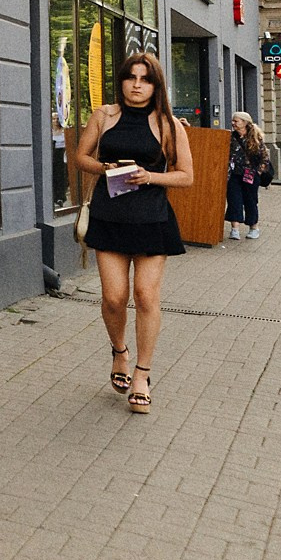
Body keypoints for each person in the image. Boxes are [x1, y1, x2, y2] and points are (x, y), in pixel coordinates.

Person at [73, 51, 193, 414]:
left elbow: (186, 175)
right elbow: (80, 157)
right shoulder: (104, 116)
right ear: (122, 81)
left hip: (152, 218)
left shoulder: (168, 124)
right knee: (113, 297)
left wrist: (150, 176)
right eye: (131, 77)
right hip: (110, 216)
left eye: (145, 79)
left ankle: (142, 374)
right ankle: (119, 352)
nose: (137, 85)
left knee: (144, 295)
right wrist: (104, 166)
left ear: (155, 85)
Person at [225, 110, 268, 240]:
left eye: (236, 121)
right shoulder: (230, 137)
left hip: (250, 174)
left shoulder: (255, 138)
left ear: (244, 123)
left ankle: (253, 227)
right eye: (233, 121)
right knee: (234, 200)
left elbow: (264, 157)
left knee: (250, 201)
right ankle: (235, 229)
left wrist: (258, 172)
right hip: (234, 174)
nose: (233, 123)